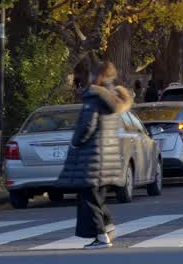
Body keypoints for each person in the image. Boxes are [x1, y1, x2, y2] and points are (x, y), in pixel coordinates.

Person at [55, 62, 134, 250]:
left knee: (88, 197)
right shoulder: (113, 98)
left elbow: (87, 126)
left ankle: (101, 236)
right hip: (106, 156)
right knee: (97, 196)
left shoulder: (94, 97)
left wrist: (75, 141)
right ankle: (107, 228)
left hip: (91, 155)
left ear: (95, 76)